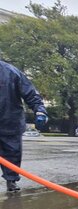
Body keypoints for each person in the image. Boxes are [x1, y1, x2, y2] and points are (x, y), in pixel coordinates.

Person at [0, 60, 48, 192]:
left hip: (10, 122)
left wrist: (40, 110)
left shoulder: (11, 72)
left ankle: (11, 182)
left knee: (12, 154)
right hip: (11, 121)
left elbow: (31, 94)